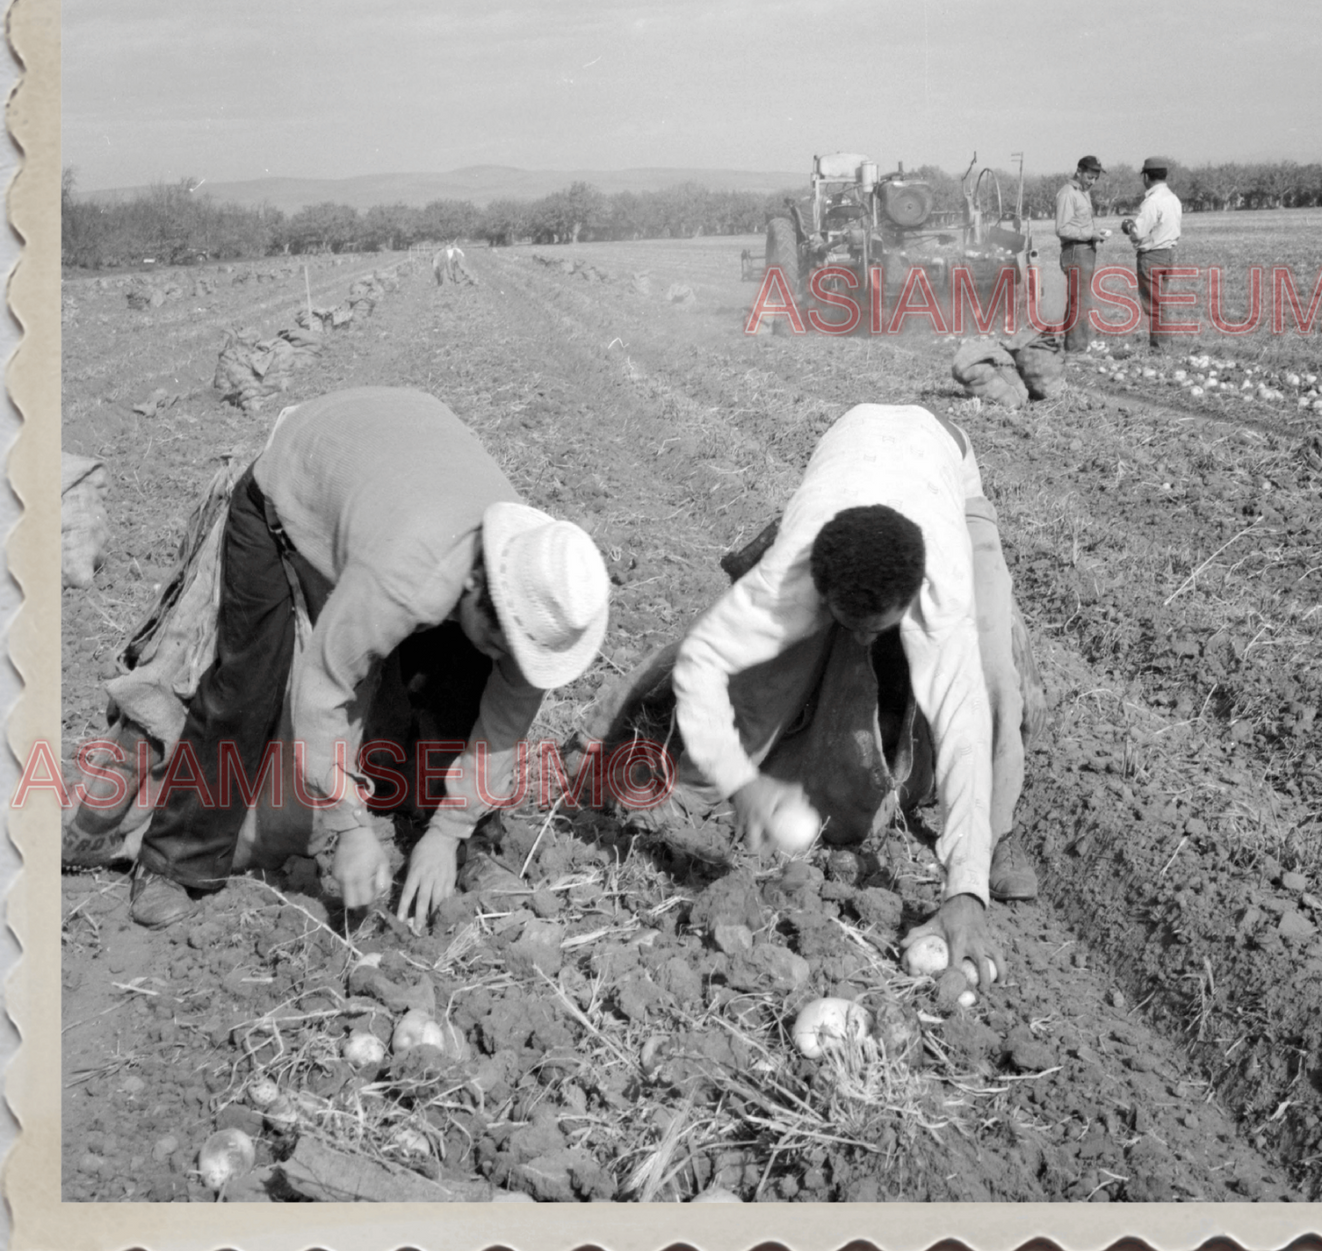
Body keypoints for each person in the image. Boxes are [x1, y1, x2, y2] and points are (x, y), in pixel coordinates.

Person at [129, 386, 610, 931]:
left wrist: (450, 829)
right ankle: (175, 858)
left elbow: (503, 722)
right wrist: (350, 828)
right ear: (476, 583)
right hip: (298, 477)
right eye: (502, 641)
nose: (511, 660)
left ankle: (466, 839)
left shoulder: (537, 590)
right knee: (249, 682)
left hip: (409, 459)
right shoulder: (405, 575)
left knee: (467, 679)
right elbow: (324, 687)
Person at [670, 404, 1034, 992]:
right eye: (849, 621)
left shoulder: (941, 588)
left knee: (992, 688)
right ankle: (697, 777)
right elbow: (701, 661)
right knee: (766, 679)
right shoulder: (791, 573)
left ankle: (994, 842)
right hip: (852, 446)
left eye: (880, 626)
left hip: (945, 472)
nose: (865, 639)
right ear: (819, 584)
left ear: (914, 596)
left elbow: (963, 726)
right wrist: (740, 780)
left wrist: (964, 890)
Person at [1122, 156, 1184, 351]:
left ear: (1146, 177)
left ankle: (1160, 349)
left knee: (1154, 305)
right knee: (1161, 302)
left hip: (1151, 256)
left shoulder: (1152, 202)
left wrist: (1128, 226)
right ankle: (1165, 345)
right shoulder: (1173, 199)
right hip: (1168, 254)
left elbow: (1139, 232)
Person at [1053, 155, 1107, 354]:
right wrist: (1090, 234)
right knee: (1081, 302)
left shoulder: (1083, 193)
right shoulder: (1068, 193)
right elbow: (1062, 229)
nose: (1092, 182)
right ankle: (1076, 350)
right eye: (1090, 177)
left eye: (1095, 178)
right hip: (1075, 252)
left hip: (1085, 250)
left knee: (1079, 300)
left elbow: (1079, 223)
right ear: (1079, 171)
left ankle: (1073, 346)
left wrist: (1094, 234)